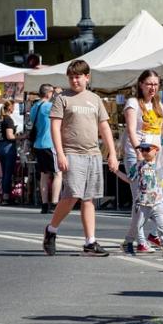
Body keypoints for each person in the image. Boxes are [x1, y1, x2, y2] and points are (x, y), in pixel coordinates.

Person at [42, 59, 119, 257]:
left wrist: (112, 153)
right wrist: (60, 153)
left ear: (87, 77)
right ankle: (51, 229)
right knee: (72, 195)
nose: (74, 81)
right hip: (72, 153)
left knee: (88, 198)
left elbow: (104, 127)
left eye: (78, 77)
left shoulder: (95, 99)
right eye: (71, 77)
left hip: (93, 153)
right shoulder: (62, 99)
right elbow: (55, 128)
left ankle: (90, 241)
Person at [121, 70, 163, 253]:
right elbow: (131, 130)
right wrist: (139, 153)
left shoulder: (159, 106)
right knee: (140, 199)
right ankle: (140, 240)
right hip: (137, 155)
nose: (152, 87)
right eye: (149, 84)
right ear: (141, 84)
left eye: (155, 84)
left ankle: (150, 235)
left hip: (156, 156)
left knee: (161, 198)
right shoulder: (133, 103)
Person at [124, 142, 163, 257]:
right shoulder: (138, 165)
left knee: (162, 226)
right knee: (136, 226)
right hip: (142, 202)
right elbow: (129, 179)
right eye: (141, 150)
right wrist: (116, 171)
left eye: (147, 149)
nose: (144, 152)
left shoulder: (161, 167)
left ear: (156, 150)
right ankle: (128, 242)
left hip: (158, 202)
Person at [29, 84, 61, 214]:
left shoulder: (34, 107)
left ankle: (44, 204)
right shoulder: (48, 106)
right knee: (58, 174)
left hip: (38, 144)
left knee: (44, 175)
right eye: (52, 92)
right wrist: (58, 96)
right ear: (48, 93)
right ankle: (54, 203)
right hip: (49, 143)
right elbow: (60, 109)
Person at [0, 99, 18, 205]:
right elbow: (10, 136)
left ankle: (5, 196)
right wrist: (21, 136)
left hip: (0, 147)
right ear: (10, 108)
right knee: (8, 173)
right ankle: (6, 197)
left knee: (4, 173)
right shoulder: (8, 120)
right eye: (14, 107)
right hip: (8, 147)